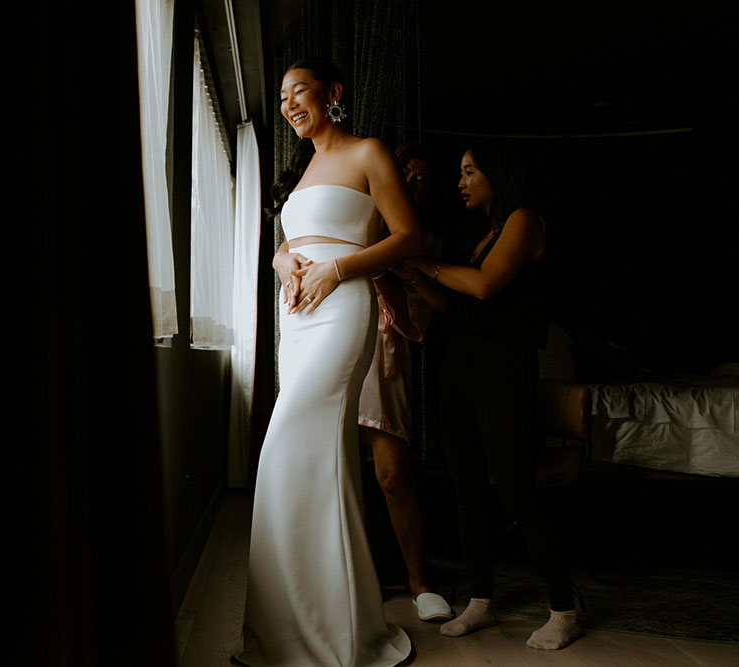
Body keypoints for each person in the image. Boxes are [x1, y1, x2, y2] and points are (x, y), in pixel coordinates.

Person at [235, 57, 423, 667]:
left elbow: (406, 237)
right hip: (298, 321)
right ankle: (302, 626)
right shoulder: (305, 170)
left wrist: (338, 268)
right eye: (283, 96)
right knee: (309, 462)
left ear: (332, 93)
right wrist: (282, 260)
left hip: (342, 311)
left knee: (288, 447)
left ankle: (329, 635)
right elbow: (295, 240)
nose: (289, 104)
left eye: (300, 92)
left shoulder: (369, 152)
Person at [399, 141, 583, 650]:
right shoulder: (482, 234)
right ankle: (481, 601)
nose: (459, 182)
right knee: (466, 488)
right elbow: (453, 309)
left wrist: (425, 263)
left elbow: (483, 287)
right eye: (460, 172)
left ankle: (563, 610)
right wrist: (409, 273)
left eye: (469, 171)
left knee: (517, 489)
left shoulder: (524, 220)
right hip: (460, 366)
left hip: (504, 369)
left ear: (497, 174)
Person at [354, 143, 454, 622]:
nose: (412, 183)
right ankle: (342, 576)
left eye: (422, 179)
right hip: (333, 338)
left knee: (391, 473)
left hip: (385, 351)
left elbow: (423, 321)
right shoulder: (358, 217)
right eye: (405, 174)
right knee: (329, 465)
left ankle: (420, 584)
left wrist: (403, 273)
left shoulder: (425, 242)